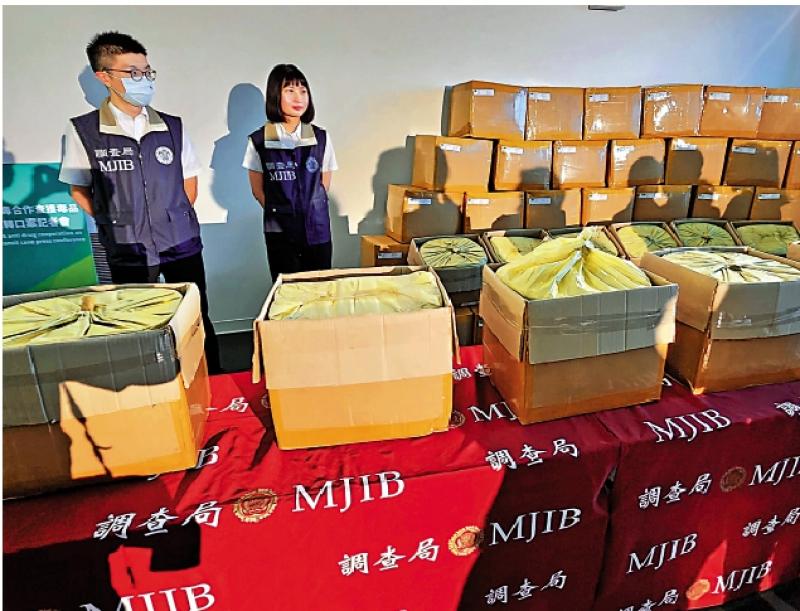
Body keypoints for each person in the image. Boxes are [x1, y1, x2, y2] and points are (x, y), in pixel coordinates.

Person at [59, 31, 221, 373]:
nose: (143, 80)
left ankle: (212, 379)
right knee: (137, 320)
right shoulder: (85, 131)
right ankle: (152, 386)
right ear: (104, 77)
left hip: (180, 242)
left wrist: (173, 217)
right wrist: (115, 220)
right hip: (128, 247)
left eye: (147, 71)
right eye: (132, 72)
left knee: (196, 314)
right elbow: (79, 189)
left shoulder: (171, 127)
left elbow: (189, 181)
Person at [243, 64, 338, 282]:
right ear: (275, 95)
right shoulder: (259, 140)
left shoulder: (320, 138)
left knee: (319, 287)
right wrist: (282, 212)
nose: (298, 98)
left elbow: (323, 185)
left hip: (317, 229)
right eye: (290, 90)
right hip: (280, 231)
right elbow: (258, 190)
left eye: (303, 91)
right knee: (286, 289)